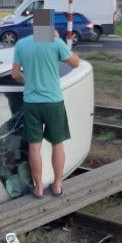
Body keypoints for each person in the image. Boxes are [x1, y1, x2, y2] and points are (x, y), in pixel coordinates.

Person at [11, 34, 80, 199]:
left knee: (34, 147)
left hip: (31, 103)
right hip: (53, 102)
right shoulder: (56, 43)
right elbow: (75, 63)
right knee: (58, 144)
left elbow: (14, 74)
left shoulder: (21, 44)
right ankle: (57, 186)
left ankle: (39, 188)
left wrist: (26, 81)